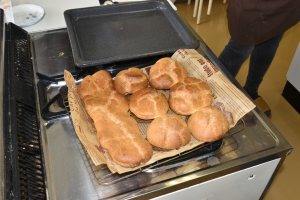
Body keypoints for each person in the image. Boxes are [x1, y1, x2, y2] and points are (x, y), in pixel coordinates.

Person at [218, 0, 300, 117]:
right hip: (255, 4)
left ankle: (251, 90)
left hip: (285, 5)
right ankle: (215, 91)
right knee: (240, 48)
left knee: (270, 42)